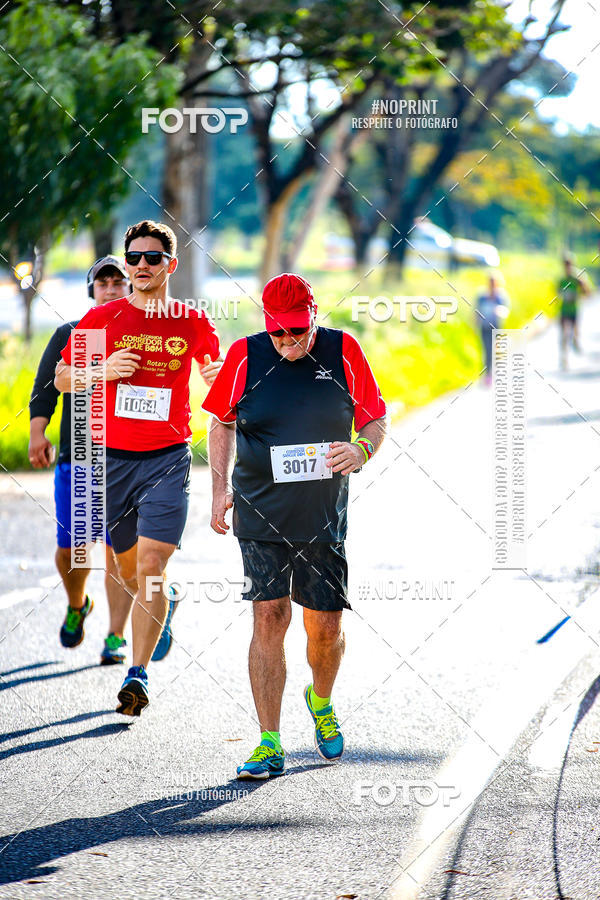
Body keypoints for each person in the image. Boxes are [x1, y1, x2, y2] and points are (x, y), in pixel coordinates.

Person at [203, 272, 386, 779]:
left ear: (314, 316)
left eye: (298, 331)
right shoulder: (245, 356)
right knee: (270, 617)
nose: (288, 341)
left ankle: (321, 702)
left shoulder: (343, 351)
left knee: (325, 627)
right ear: (267, 324)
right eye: (279, 332)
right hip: (259, 511)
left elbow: (375, 418)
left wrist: (361, 448)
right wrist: (219, 488)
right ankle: (269, 741)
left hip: (322, 514)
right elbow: (220, 420)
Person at [55, 220, 222, 715]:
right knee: (127, 569)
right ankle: (160, 603)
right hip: (109, 459)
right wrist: (101, 371)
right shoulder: (103, 319)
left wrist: (216, 375)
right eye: (134, 258)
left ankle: (138, 672)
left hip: (167, 460)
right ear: (125, 264)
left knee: (151, 565)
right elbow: (64, 379)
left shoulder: (191, 320)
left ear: (171, 264)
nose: (142, 265)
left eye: (152, 258)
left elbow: (221, 380)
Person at [29, 256, 136, 664]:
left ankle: (116, 634)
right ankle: (78, 604)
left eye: (118, 282)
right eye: (102, 282)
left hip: (129, 457)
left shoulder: (141, 335)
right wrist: (38, 433)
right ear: (91, 290)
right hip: (81, 452)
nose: (111, 288)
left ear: (130, 288)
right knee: (74, 548)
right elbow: (45, 388)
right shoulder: (72, 333)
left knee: (116, 548)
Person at [475, 271, 510, 386]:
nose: (491, 284)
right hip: (484, 327)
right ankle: (487, 374)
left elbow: (505, 311)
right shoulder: (482, 297)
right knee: (487, 350)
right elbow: (477, 312)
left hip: (496, 327)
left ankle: (492, 372)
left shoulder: (500, 297)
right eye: (490, 282)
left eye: (493, 282)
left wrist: (499, 310)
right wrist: (475, 323)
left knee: (494, 351)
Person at [558, 254, 591, 370]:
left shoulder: (577, 278)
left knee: (573, 333)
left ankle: (575, 340)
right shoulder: (562, 280)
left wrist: (579, 293)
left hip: (574, 310)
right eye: (565, 265)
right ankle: (564, 358)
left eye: (568, 265)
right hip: (563, 310)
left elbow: (587, 292)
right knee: (563, 335)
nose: (566, 267)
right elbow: (557, 293)